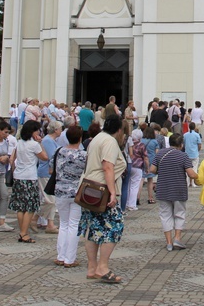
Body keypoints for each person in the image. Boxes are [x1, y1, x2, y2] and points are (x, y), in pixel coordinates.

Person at [78, 114, 127, 284]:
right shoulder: (110, 142)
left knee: (92, 228)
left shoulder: (97, 138)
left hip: (89, 189)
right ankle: (102, 267)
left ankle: (92, 268)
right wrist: (112, 192)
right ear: (119, 130)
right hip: (101, 190)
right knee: (115, 225)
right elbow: (107, 167)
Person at [150, 133, 198, 251]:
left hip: (163, 189)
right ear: (181, 145)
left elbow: (152, 169)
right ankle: (177, 238)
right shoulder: (183, 156)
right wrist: (200, 176)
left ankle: (169, 242)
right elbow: (191, 174)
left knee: (165, 215)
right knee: (179, 214)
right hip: (178, 189)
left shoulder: (160, 153)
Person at [8, 120, 49, 243]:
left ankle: (23, 231)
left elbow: (12, 159)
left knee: (20, 207)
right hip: (30, 177)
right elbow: (45, 157)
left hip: (18, 176)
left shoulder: (19, 143)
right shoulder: (34, 144)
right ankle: (24, 233)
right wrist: (40, 143)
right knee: (30, 207)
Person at [52, 125, 88, 268]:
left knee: (63, 224)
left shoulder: (58, 151)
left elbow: (51, 169)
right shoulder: (84, 155)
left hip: (60, 190)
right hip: (77, 191)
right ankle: (70, 259)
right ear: (80, 138)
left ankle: (61, 256)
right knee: (74, 225)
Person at [34, 121, 60, 233]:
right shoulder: (48, 141)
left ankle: (50, 223)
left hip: (51, 173)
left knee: (53, 199)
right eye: (60, 128)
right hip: (46, 172)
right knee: (49, 200)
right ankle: (35, 217)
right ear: (56, 130)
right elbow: (51, 157)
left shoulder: (51, 140)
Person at [128, 129, 147, 210]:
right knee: (134, 186)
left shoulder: (129, 143)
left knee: (128, 185)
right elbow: (145, 158)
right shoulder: (141, 145)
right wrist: (147, 167)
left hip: (129, 165)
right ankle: (132, 205)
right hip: (138, 166)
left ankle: (126, 203)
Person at [141, 126, 159, 204]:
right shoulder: (154, 142)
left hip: (142, 160)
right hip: (152, 160)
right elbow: (157, 153)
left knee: (141, 179)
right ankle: (150, 197)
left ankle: (137, 197)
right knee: (150, 179)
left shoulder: (141, 141)